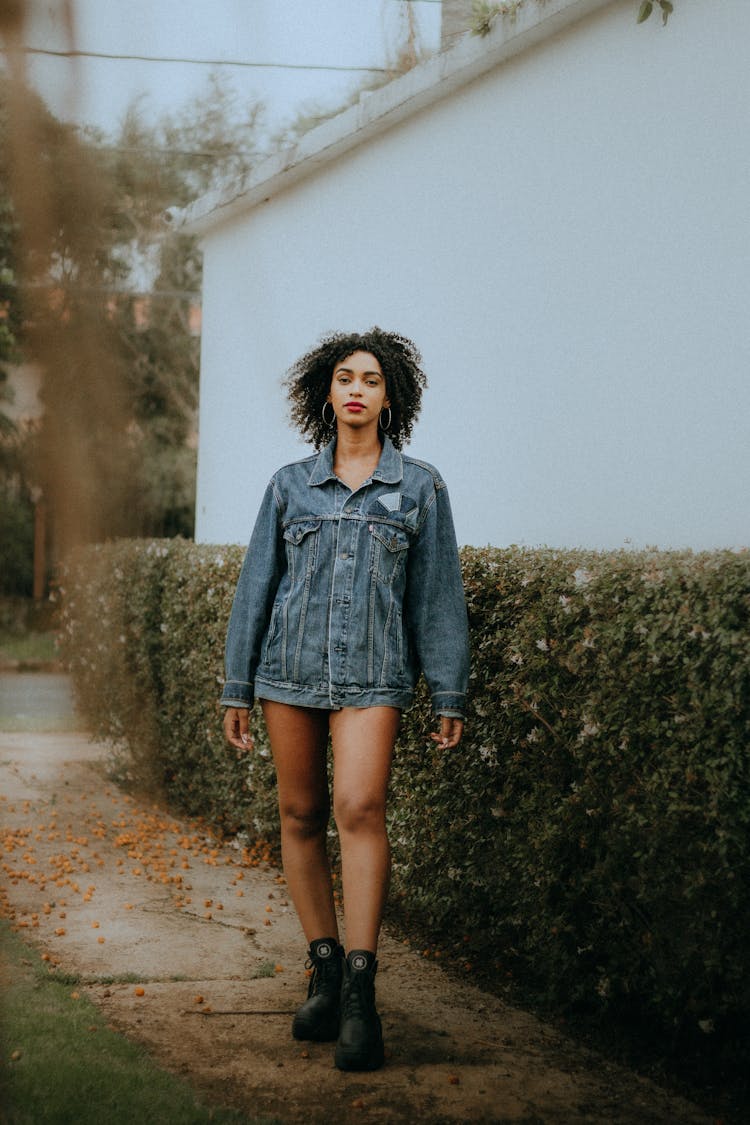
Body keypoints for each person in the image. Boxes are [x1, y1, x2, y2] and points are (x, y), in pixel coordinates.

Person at [222, 328, 469, 1072]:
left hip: (373, 677)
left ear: (391, 395)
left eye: (371, 379)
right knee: (298, 815)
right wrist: (237, 682)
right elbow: (256, 587)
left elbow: (437, 598)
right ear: (326, 393)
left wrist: (448, 688)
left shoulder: (420, 486)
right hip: (286, 675)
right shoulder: (288, 485)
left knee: (359, 810)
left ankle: (362, 994)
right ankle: (324, 971)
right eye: (344, 377)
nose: (356, 389)